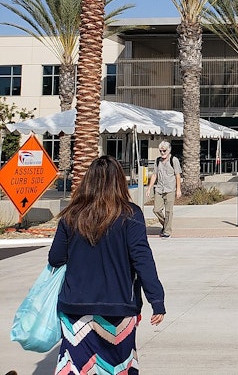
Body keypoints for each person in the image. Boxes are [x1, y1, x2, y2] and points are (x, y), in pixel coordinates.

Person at [48, 156, 165, 374]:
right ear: (119, 181)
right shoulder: (130, 214)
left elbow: (55, 258)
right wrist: (156, 300)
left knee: (76, 367)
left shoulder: (72, 215)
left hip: (75, 307)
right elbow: (142, 260)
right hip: (118, 306)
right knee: (117, 367)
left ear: (88, 181)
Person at [148, 140, 182, 238]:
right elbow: (154, 174)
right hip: (159, 188)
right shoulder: (158, 161)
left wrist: (178, 189)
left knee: (168, 211)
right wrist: (149, 188)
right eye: (161, 151)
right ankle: (165, 224)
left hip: (170, 189)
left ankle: (167, 231)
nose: (162, 153)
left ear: (169, 150)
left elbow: (178, 175)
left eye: (164, 151)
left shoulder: (174, 160)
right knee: (156, 210)